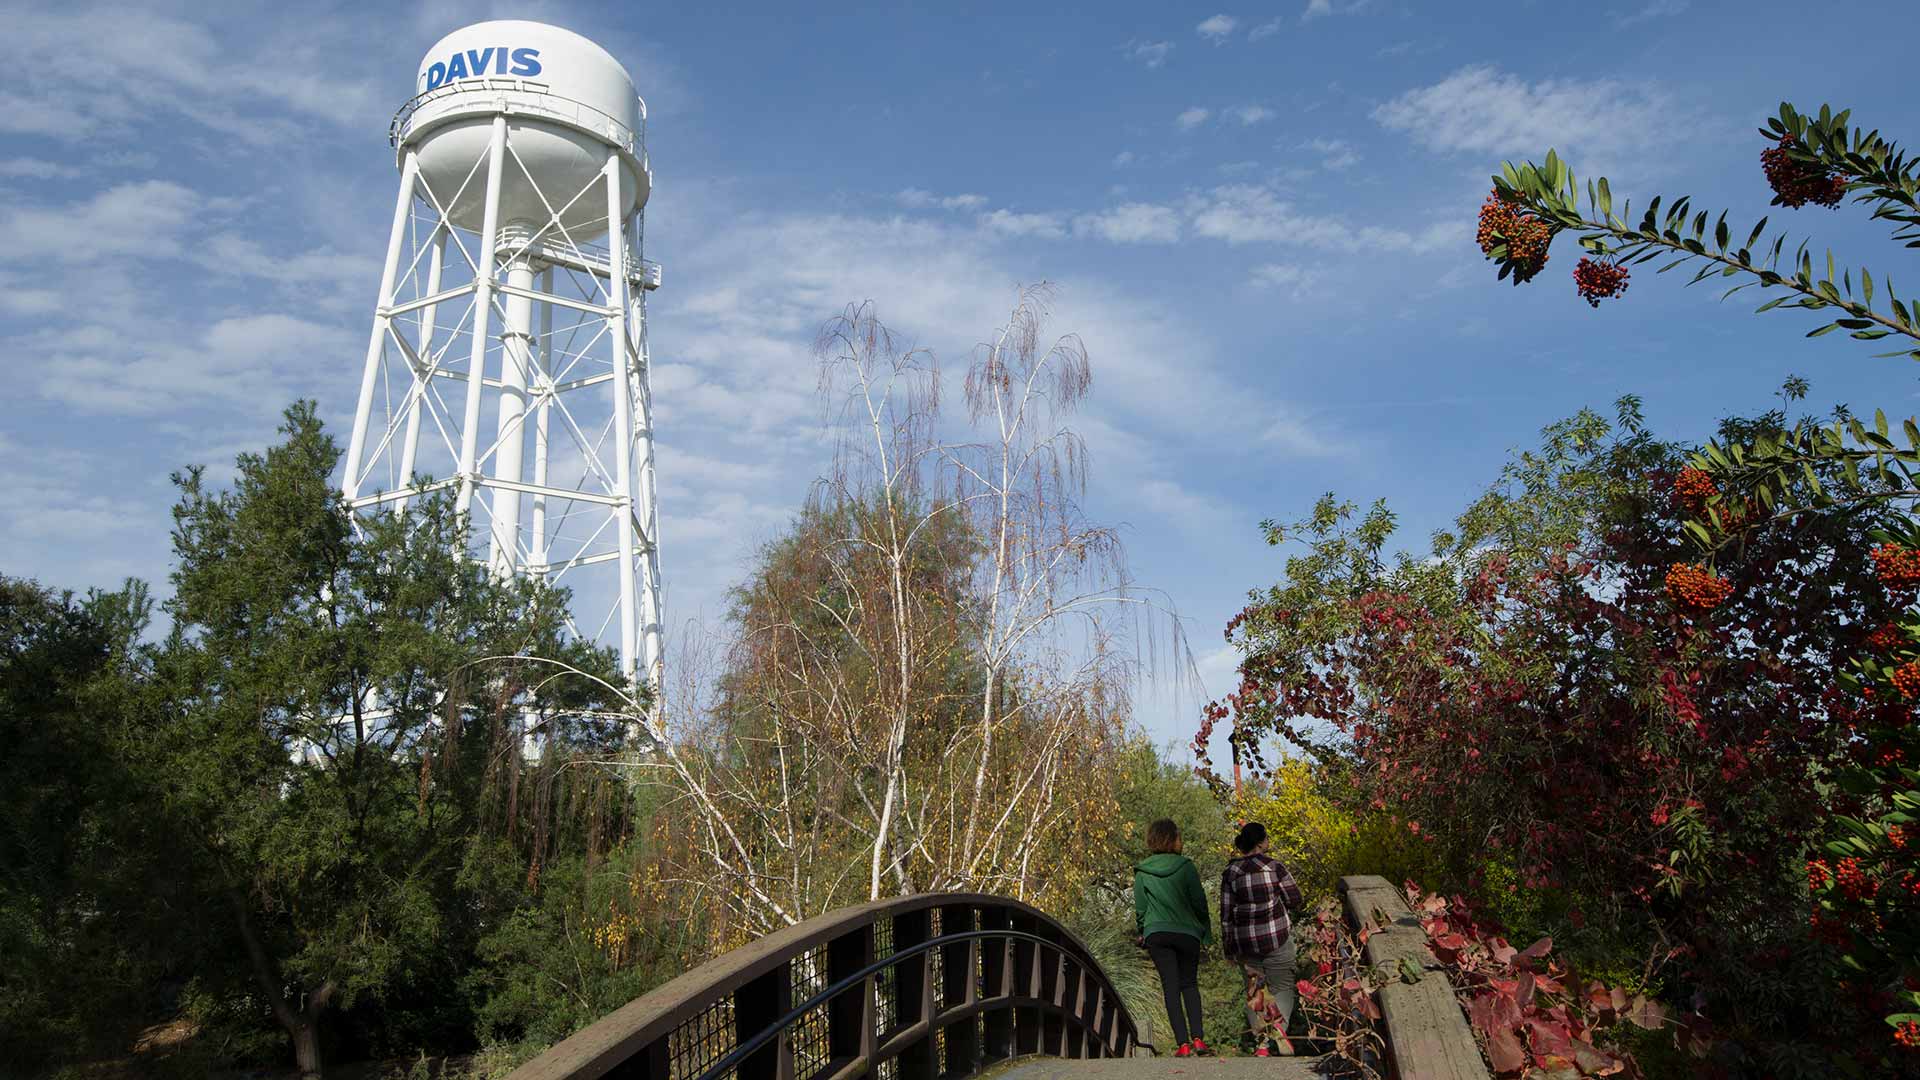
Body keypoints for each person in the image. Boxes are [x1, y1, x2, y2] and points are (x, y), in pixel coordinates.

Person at [1220, 821, 1305, 1057]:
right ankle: (1278, 1031)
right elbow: (1296, 899)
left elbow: (1225, 914)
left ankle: (1262, 1045)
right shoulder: (1275, 868)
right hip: (1276, 937)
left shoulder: (1230, 873)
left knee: (1254, 991)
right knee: (1283, 987)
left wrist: (1228, 948)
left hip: (1245, 943)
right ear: (1260, 844)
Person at [1133, 818, 1213, 1057]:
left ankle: (1183, 1044)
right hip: (1187, 933)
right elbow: (1199, 902)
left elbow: (1141, 909)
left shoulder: (1142, 871)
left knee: (1171, 987)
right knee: (1189, 983)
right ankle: (1199, 1039)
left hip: (1157, 933)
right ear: (1174, 839)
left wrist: (1143, 931)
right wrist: (1206, 933)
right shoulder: (1186, 866)